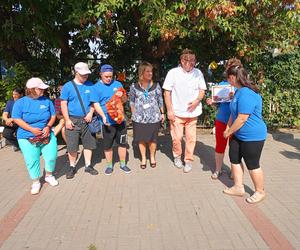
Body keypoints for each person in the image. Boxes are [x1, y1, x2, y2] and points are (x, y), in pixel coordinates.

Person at [223, 63, 267, 204]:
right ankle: (238, 187)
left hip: (253, 136)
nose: (228, 81)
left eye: (228, 78)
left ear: (232, 78)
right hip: (238, 133)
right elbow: (233, 112)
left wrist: (229, 131)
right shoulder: (238, 92)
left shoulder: (247, 94)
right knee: (234, 158)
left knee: (252, 163)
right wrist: (228, 127)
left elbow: (242, 118)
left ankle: (260, 191)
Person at [163, 48, 207, 173]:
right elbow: (167, 93)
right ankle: (177, 157)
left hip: (193, 113)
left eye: (193, 60)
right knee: (176, 138)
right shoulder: (173, 73)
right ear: (182, 60)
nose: (191, 62)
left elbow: (202, 90)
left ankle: (188, 160)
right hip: (177, 112)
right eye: (188, 60)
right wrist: (169, 110)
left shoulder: (198, 73)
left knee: (191, 138)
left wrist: (197, 101)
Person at [12, 78, 58, 195]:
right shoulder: (20, 102)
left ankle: (49, 175)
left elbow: (53, 115)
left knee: (51, 156)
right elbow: (16, 119)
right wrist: (31, 129)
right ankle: (36, 181)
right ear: (31, 89)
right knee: (32, 160)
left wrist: (48, 126)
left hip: (46, 134)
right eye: (40, 88)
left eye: (43, 88)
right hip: (26, 136)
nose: (43, 89)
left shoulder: (47, 101)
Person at [60, 62, 100, 179]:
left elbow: (94, 102)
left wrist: (91, 113)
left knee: (89, 143)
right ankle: (72, 167)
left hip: (88, 119)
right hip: (72, 120)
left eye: (86, 74)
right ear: (76, 73)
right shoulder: (68, 86)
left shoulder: (90, 85)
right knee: (72, 145)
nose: (85, 77)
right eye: (83, 75)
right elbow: (63, 104)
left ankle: (88, 165)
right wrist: (67, 120)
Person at [91, 64, 131, 175]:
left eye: (111, 76)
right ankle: (109, 166)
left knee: (123, 143)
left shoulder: (118, 84)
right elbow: (95, 104)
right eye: (106, 76)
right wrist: (103, 117)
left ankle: (123, 164)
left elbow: (124, 100)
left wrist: (122, 96)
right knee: (108, 145)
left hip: (120, 120)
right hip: (107, 121)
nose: (109, 79)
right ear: (101, 74)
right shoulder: (95, 87)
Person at [206, 58, 243, 179]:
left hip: (236, 122)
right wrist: (211, 101)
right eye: (229, 67)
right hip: (222, 119)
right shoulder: (221, 85)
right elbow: (218, 102)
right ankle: (218, 169)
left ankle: (235, 172)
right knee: (220, 145)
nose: (230, 70)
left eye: (234, 67)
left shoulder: (242, 87)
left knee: (235, 148)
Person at [129, 61, 165, 169]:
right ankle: (144, 158)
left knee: (152, 139)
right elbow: (131, 101)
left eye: (151, 71)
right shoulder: (134, 86)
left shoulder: (156, 85)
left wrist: (162, 113)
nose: (150, 73)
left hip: (154, 118)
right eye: (148, 71)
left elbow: (160, 100)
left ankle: (152, 157)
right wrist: (133, 114)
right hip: (139, 118)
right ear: (142, 73)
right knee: (141, 139)